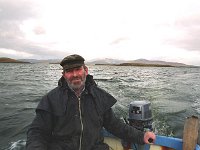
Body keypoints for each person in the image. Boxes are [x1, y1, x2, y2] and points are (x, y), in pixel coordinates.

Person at [26, 54, 156, 150]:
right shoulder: (51, 99)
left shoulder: (99, 97)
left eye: (78, 69)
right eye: (69, 71)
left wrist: (141, 136)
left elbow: (114, 125)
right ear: (64, 74)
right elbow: (38, 132)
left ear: (85, 71)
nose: (75, 74)